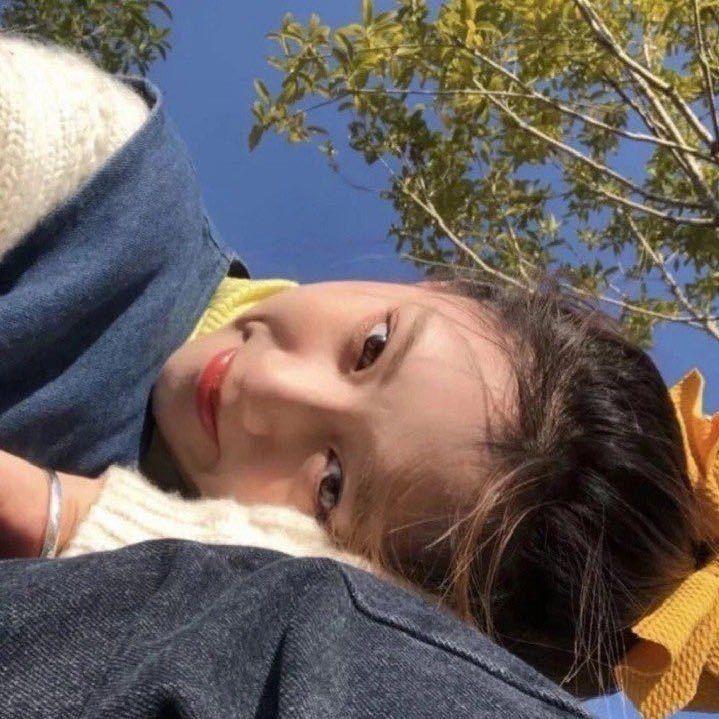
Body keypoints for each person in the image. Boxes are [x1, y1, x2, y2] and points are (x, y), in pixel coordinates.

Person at [0, 31, 715, 719]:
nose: (268, 390)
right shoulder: (109, 185)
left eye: (330, 487)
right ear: (443, 286)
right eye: (373, 346)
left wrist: (95, 526)